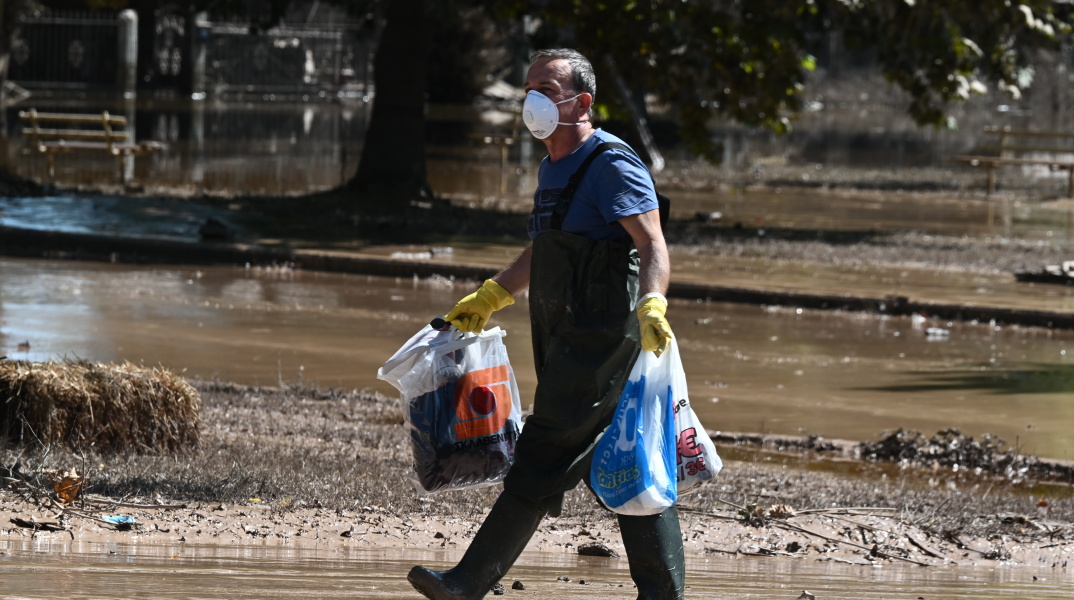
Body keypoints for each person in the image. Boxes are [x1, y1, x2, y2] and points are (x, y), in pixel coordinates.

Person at [407, 48, 682, 600]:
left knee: (546, 447)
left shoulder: (611, 163)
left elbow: (651, 242)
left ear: (581, 102)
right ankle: (663, 592)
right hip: (564, 332)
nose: (532, 98)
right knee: (624, 455)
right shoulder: (551, 167)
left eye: (546, 89)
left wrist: (653, 304)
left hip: (604, 334)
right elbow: (544, 250)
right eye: (529, 86)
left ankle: (466, 583)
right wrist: (489, 297)